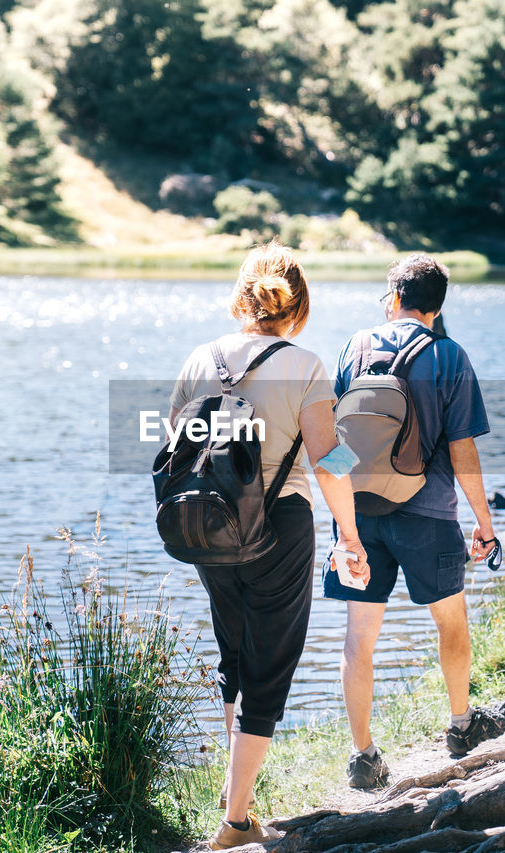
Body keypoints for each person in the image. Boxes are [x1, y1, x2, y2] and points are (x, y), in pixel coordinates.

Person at [168, 242, 370, 848]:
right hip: (278, 526)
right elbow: (328, 460)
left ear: (243, 297)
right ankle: (233, 823)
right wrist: (350, 536)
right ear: (297, 303)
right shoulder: (306, 365)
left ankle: (241, 801)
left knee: (234, 656)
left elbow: (175, 446)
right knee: (270, 667)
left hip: (205, 525)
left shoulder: (199, 357)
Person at [327, 254, 505, 789]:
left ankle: (363, 757)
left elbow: (337, 436)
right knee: (450, 621)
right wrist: (485, 524)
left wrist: (342, 525)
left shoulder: (354, 347)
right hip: (428, 515)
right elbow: (463, 451)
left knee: (358, 637)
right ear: (438, 306)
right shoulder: (449, 356)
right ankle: (461, 726)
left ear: (393, 297)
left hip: (358, 511)